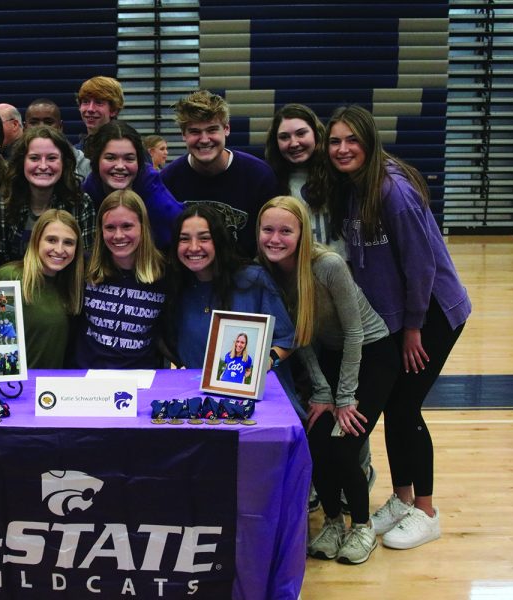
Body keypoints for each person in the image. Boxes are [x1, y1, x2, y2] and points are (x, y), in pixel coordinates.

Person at [324, 105, 471, 550]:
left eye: (352, 140)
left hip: (432, 315)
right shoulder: (352, 188)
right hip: (401, 317)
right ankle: (403, 498)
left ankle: (426, 511)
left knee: (405, 409)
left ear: (370, 142)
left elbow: (422, 266)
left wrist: (413, 330)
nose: (343, 148)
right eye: (335, 141)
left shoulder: (394, 193)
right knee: (395, 409)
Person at [257, 195, 397, 564]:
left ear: (302, 233)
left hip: (373, 353)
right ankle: (333, 521)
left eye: (285, 231)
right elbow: (300, 336)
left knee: (345, 445)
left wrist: (345, 397)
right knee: (316, 438)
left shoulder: (328, 264)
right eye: (267, 230)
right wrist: (321, 391)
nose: (275, 238)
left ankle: (362, 526)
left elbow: (354, 334)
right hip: (330, 357)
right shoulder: (269, 271)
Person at [167, 203, 297, 409]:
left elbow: (288, 338)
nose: (193, 247)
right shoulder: (176, 288)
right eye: (184, 239)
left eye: (204, 238)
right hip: (200, 402)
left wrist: (266, 362)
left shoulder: (252, 280)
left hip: (261, 401)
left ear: (218, 241)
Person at [160, 89, 279, 258]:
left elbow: (272, 241)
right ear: (183, 135)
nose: (204, 139)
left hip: (245, 275)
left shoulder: (259, 176)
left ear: (227, 129)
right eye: (195, 132)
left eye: (212, 130)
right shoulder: (168, 180)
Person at [74, 189, 167, 369]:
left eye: (127, 226)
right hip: (87, 378)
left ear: (143, 226)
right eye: (110, 227)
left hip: (143, 379)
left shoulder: (164, 272)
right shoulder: (85, 267)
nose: (118, 235)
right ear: (100, 230)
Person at [0, 126, 95, 264]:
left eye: (51, 158)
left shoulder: (81, 203)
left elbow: (85, 263)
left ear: (64, 162)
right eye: (34, 158)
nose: (43, 166)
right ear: (22, 162)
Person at [0, 209, 84, 368]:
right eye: (51, 240)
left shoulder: (71, 286)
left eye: (68, 242)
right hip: (13, 389)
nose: (59, 249)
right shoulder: (9, 277)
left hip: (50, 389)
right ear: (36, 241)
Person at [82, 121, 182, 248]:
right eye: (110, 158)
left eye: (129, 158)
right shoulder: (89, 190)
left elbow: (178, 233)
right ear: (97, 160)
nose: (120, 166)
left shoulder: (152, 188)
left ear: (139, 162)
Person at [265, 103, 343, 254]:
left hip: (341, 269)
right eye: (284, 137)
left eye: (301, 133)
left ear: (316, 133)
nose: (294, 143)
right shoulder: (270, 181)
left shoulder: (338, 172)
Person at [25, 98, 92, 178]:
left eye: (48, 122)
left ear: (60, 127)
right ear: (25, 127)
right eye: (34, 123)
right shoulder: (14, 163)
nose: (41, 127)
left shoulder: (83, 163)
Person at [76, 75, 124, 146]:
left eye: (99, 102)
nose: (90, 109)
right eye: (85, 102)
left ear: (114, 110)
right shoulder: (74, 154)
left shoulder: (129, 149)